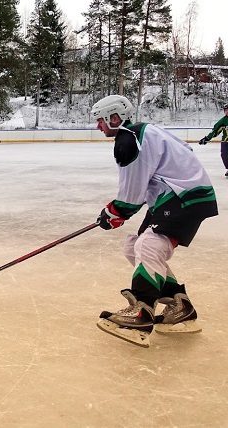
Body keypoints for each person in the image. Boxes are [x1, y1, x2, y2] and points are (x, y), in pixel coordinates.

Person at [91, 95, 218, 348]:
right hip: (175, 195)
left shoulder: (129, 140)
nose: (98, 127)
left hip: (185, 195)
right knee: (134, 247)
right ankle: (179, 305)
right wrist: (118, 212)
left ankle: (142, 310)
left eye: (101, 121)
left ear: (114, 117)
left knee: (149, 246)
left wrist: (114, 212)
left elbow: (131, 195)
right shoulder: (143, 132)